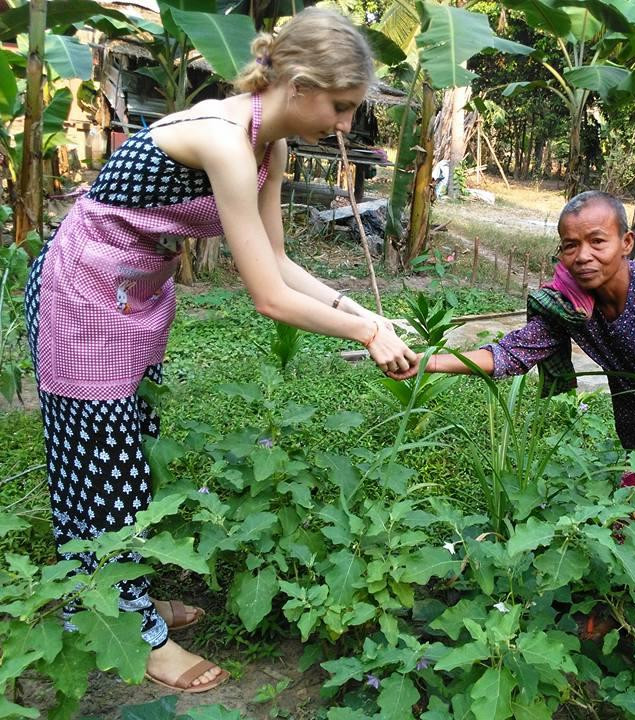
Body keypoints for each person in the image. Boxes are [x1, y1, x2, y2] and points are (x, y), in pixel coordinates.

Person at [23, 8, 416, 693]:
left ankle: (119, 591)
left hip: (135, 291)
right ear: (297, 83)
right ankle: (135, 628)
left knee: (128, 446)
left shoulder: (270, 143)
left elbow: (280, 261)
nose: (347, 126)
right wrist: (364, 335)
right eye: (342, 106)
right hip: (84, 291)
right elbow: (264, 295)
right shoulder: (225, 141)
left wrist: (365, 313)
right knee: (100, 455)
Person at [393, 191, 635, 560]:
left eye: (597, 241)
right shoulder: (572, 306)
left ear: (626, 242)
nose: (583, 256)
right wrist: (428, 361)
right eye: (570, 245)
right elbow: (512, 352)